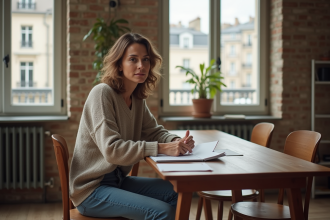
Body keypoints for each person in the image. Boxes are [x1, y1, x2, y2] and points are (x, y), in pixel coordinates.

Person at [69, 33, 195, 220]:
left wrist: (177, 141)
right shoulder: (102, 94)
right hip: (91, 190)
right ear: (119, 64)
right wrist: (162, 148)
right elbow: (112, 150)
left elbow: (154, 131)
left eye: (146, 60)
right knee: (163, 212)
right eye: (133, 59)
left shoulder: (136, 99)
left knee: (178, 192)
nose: (141, 66)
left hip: (118, 181)